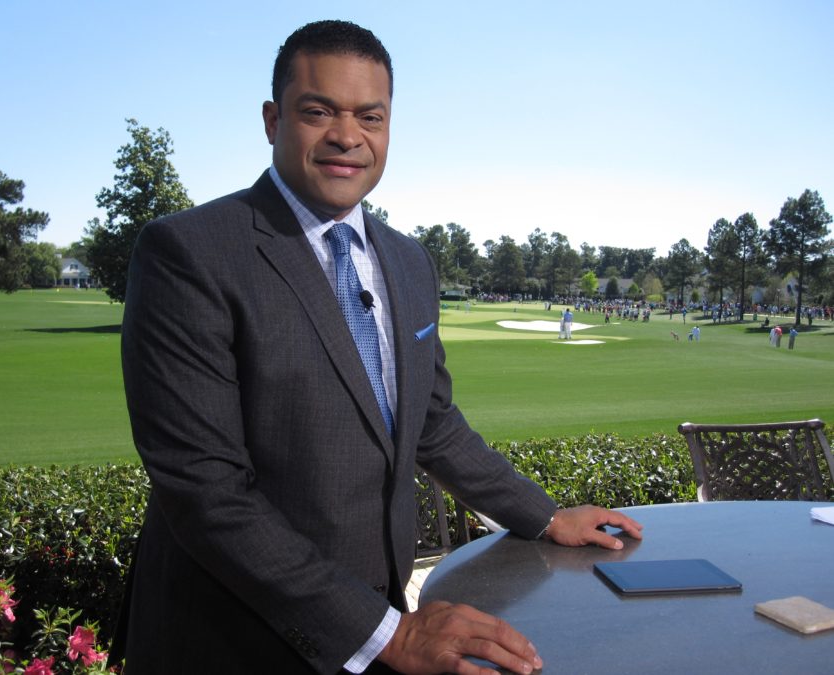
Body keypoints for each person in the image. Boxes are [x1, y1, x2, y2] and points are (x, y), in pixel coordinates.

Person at [111, 20, 642, 675]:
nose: (346, 135)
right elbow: (207, 493)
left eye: (370, 115)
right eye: (317, 111)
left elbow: (434, 424)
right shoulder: (189, 252)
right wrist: (391, 634)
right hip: (232, 640)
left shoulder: (409, 261)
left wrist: (543, 514)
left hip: (374, 626)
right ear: (273, 119)